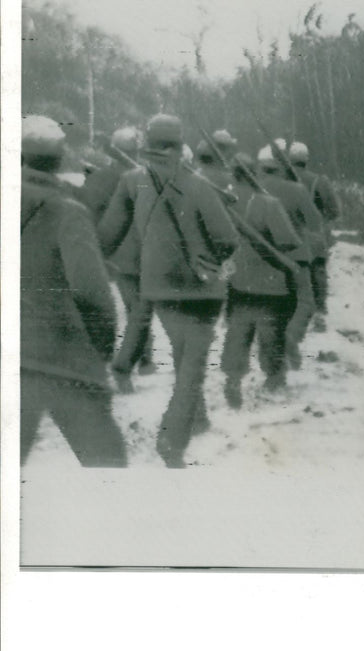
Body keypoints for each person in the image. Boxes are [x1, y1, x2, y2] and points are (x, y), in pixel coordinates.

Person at [98, 114, 238, 468]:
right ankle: (172, 441)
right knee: (192, 365)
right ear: (179, 143)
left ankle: (198, 418)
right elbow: (227, 239)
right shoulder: (200, 184)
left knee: (183, 351)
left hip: (157, 287)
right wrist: (208, 259)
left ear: (147, 142)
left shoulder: (131, 181)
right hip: (201, 289)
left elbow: (107, 237)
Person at [20, 116, 127, 467]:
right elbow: (92, 294)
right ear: (60, 158)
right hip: (61, 355)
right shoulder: (67, 211)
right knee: (108, 463)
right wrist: (100, 350)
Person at [220, 153, 303, 408]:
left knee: (238, 331)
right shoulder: (268, 203)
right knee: (271, 332)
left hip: (237, 280)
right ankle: (273, 377)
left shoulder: (222, 202)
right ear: (254, 173)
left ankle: (233, 378)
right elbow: (288, 241)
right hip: (271, 279)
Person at [79, 126, 156, 383]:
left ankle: (141, 357)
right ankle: (141, 358)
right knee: (141, 307)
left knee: (135, 306)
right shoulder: (148, 176)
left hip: (118, 251)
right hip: (146, 250)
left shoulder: (102, 177)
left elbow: (89, 212)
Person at [257, 141, 324, 368]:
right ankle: (291, 338)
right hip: (296, 256)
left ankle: (275, 358)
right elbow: (315, 222)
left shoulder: (256, 189)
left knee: (273, 307)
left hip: (266, 257)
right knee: (306, 302)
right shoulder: (296, 189)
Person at [289, 141, 341, 329]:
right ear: (306, 160)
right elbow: (334, 211)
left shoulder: (281, 181)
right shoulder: (319, 181)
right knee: (317, 270)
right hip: (313, 235)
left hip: (288, 235)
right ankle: (319, 313)